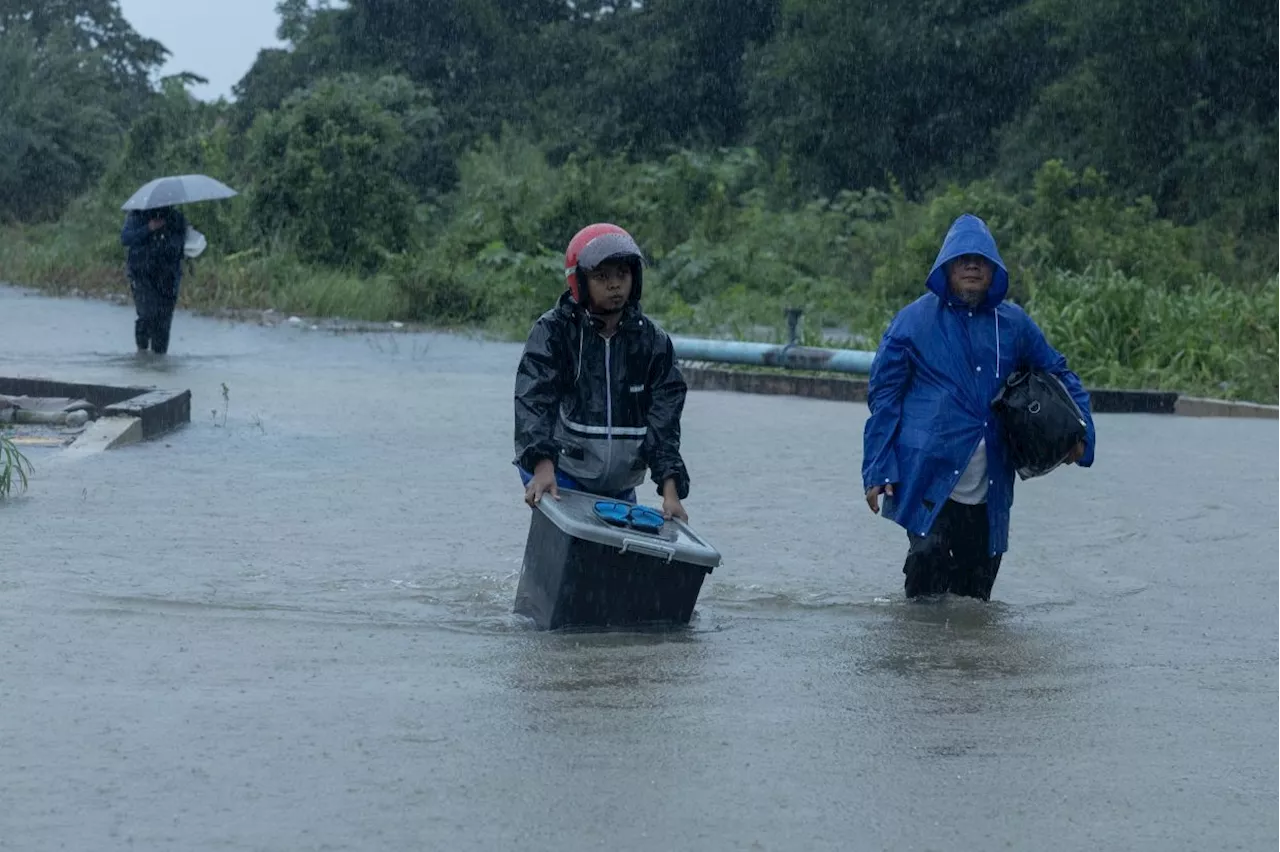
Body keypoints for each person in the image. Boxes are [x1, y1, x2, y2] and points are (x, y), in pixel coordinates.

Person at [861, 213, 1096, 601]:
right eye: (963, 259)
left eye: (981, 260)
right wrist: (877, 468)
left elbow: (1058, 372)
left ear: (993, 270)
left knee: (974, 602)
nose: (972, 266)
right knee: (926, 571)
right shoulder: (912, 323)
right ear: (947, 267)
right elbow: (884, 398)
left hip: (991, 487)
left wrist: (1081, 433)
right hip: (928, 476)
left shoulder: (1014, 325)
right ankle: (919, 659)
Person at [514, 223, 691, 522]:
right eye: (602, 276)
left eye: (622, 274)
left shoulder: (653, 343)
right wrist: (543, 467)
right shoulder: (554, 332)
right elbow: (534, 402)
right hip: (561, 473)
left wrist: (671, 494)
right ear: (580, 282)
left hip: (619, 485)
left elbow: (665, 424)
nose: (614, 285)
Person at [120, 205, 188, 354]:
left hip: (168, 276)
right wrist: (149, 229)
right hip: (141, 274)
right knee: (146, 314)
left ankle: (159, 360)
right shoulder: (137, 216)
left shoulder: (177, 218)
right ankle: (142, 353)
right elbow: (126, 238)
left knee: (163, 322)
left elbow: (181, 243)